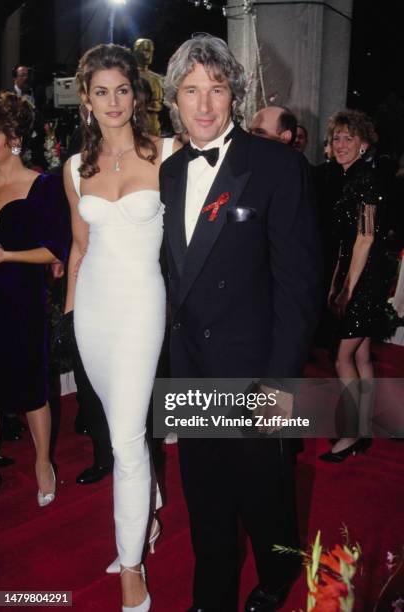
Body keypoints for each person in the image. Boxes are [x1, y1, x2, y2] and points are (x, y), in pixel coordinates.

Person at [161, 35, 322, 612]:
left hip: (254, 370)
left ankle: (279, 574)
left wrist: (281, 386)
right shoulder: (171, 172)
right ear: (173, 101)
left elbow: (299, 288)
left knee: (264, 494)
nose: (204, 105)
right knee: (204, 499)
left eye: (217, 89)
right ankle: (211, 597)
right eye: (191, 91)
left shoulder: (277, 165)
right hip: (191, 372)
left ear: (235, 94)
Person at [63, 43, 180, 612]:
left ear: (137, 96)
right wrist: (67, 317)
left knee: (127, 438)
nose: (113, 102)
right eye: (101, 92)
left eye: (122, 90)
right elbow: (80, 247)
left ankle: (130, 564)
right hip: (91, 311)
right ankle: (147, 511)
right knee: (118, 425)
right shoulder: (73, 169)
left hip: (141, 308)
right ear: (85, 100)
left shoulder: (166, 153)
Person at [0, 91, 70, 504]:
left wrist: (7, 254)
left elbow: (56, 249)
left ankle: (43, 461)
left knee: (31, 389)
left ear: (9, 136)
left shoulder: (41, 185)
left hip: (20, 300)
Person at [319, 109, 386, 462]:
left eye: (349, 138)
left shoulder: (365, 180)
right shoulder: (348, 178)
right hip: (355, 274)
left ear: (363, 144)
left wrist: (347, 289)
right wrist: (335, 284)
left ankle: (352, 433)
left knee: (342, 357)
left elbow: (366, 238)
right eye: (337, 138)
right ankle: (367, 425)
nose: (341, 144)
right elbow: (347, 245)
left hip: (365, 279)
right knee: (361, 355)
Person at [133, 39, 163, 136]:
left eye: (150, 51)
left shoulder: (157, 78)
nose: (148, 55)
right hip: (136, 128)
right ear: (136, 51)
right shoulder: (128, 77)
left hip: (155, 129)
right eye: (145, 50)